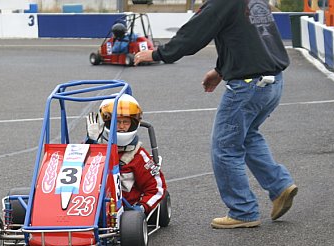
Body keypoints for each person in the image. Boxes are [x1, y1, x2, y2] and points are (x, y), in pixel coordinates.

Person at [134, 0, 298, 229]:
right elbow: (248, 38)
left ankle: (243, 211)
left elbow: (194, 34)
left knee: (225, 148)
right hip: (273, 81)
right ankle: (280, 186)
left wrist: (158, 54)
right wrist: (221, 71)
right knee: (247, 135)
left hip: (248, 85)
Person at [85, 94, 167, 215]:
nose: (122, 127)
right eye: (117, 122)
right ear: (105, 123)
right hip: (91, 205)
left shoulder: (138, 156)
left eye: (126, 122)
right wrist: (91, 141)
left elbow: (156, 188)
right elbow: (79, 168)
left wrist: (141, 208)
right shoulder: (94, 149)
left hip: (125, 210)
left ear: (133, 124)